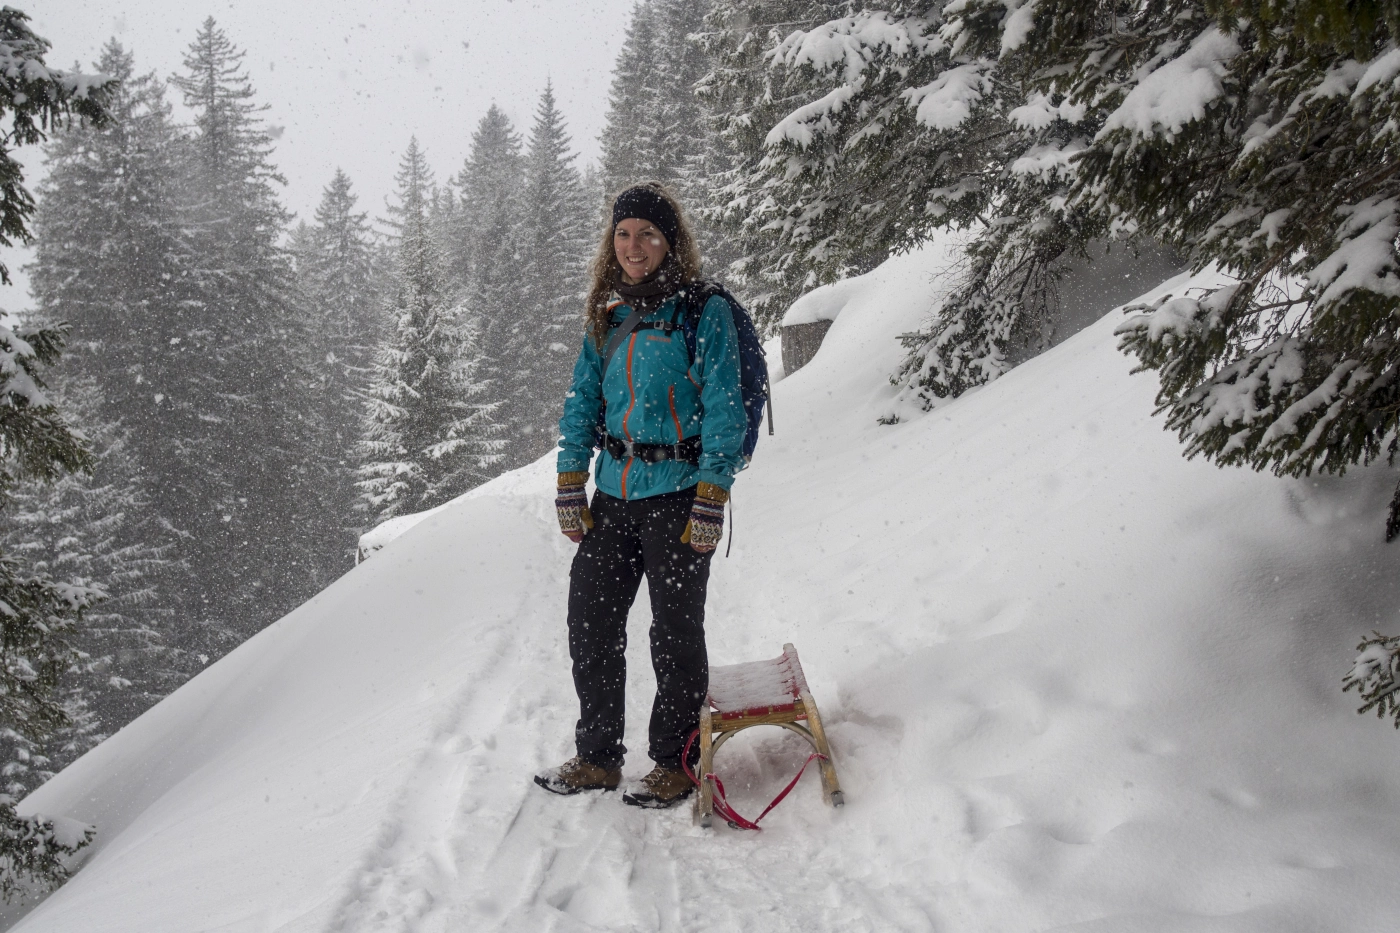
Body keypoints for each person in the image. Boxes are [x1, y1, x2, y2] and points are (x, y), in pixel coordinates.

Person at [534, 182, 746, 808]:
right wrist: (571, 481)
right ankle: (598, 757)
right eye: (624, 234)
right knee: (590, 621)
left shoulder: (702, 311)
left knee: (675, 632)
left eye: (647, 234)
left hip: (680, 496)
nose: (634, 246)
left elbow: (725, 411)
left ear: (670, 241)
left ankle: (676, 762)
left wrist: (712, 497)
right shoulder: (607, 313)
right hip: (615, 497)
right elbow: (582, 402)